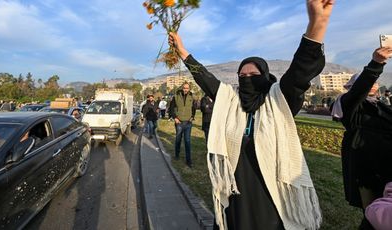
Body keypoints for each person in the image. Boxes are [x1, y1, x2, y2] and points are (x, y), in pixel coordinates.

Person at [168, 0, 334, 229]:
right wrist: (183, 52)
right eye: (241, 76)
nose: (246, 79)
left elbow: (301, 70)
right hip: (236, 190)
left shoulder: (278, 100)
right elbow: (205, 79)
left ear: (265, 76)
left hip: (271, 192)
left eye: (253, 74)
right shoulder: (232, 101)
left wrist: (318, 23)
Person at [330, 47, 392, 229]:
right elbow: (358, 91)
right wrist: (376, 65)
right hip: (368, 168)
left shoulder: (382, 105)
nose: (373, 83)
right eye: (368, 81)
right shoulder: (350, 106)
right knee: (374, 214)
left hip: (388, 165)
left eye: (375, 81)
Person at [168, 82, 196, 168]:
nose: (185, 89)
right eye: (184, 88)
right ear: (182, 87)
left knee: (187, 141)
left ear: (189, 88)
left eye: (187, 88)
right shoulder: (176, 97)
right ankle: (177, 154)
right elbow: (171, 109)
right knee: (178, 140)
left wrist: (192, 117)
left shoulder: (192, 97)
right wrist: (175, 118)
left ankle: (188, 160)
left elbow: (193, 108)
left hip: (188, 123)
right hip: (179, 122)